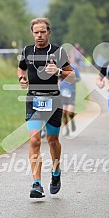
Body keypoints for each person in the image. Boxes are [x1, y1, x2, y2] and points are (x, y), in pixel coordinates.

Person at [17, 17, 75, 198]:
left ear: (49, 32)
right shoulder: (26, 51)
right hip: (33, 100)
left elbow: (72, 76)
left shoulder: (58, 52)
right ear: (32, 33)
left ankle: (56, 173)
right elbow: (21, 69)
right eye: (36, 32)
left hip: (53, 101)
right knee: (34, 140)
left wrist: (58, 72)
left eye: (43, 32)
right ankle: (36, 184)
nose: (39, 35)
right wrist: (21, 78)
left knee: (52, 141)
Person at [60, 64, 81, 136]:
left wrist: (72, 78)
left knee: (70, 112)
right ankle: (67, 129)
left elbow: (78, 78)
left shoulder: (74, 68)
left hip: (71, 92)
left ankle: (72, 121)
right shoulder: (60, 68)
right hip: (62, 92)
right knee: (63, 112)